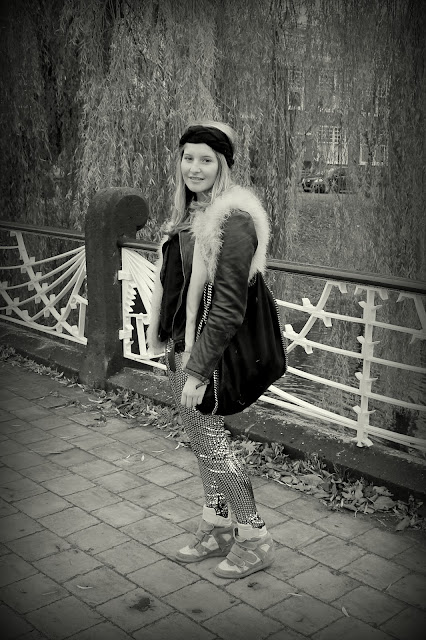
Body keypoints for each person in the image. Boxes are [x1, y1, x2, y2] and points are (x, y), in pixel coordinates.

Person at [147, 121, 274, 579]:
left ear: (223, 164)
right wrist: (169, 347)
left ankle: (255, 536)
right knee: (203, 445)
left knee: (215, 448)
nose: (194, 168)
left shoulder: (232, 220)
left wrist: (197, 370)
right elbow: (175, 288)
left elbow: (227, 308)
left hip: (203, 357)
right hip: (180, 349)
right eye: (188, 157)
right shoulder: (189, 215)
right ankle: (218, 522)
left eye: (206, 159)